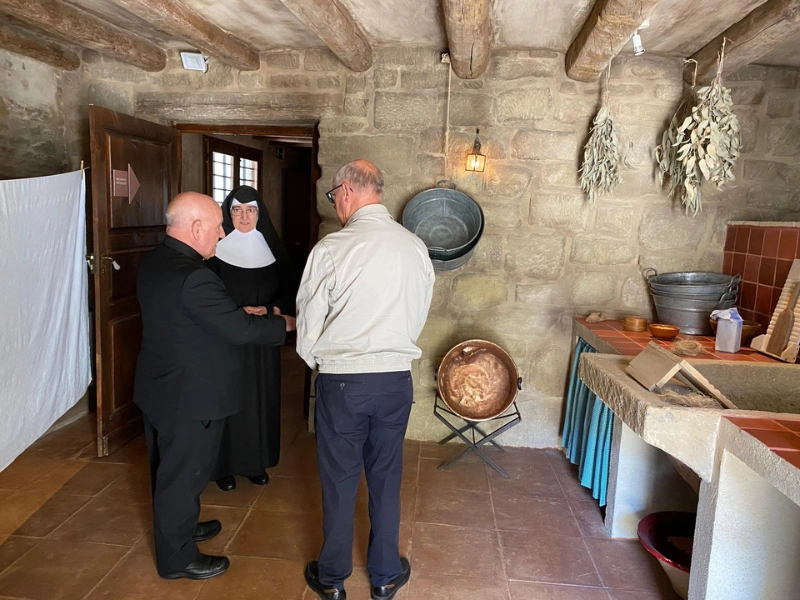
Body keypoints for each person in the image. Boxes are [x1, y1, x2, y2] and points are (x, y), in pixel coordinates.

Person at [134, 192, 295, 580]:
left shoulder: (157, 260)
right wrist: (287, 324)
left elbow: (194, 319)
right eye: (218, 226)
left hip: (161, 388)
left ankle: (181, 527)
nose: (222, 234)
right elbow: (238, 329)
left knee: (171, 470)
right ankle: (177, 558)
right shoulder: (195, 276)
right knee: (181, 476)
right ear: (196, 228)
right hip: (190, 396)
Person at [296, 160, 434, 600]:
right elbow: (417, 316)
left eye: (333, 196)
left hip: (343, 382)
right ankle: (385, 574)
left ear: (347, 191)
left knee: (339, 479)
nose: (334, 204)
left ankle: (333, 576)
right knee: (386, 475)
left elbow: (307, 328)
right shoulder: (415, 247)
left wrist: (324, 362)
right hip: (395, 379)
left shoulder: (331, 250)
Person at [208, 186, 297, 492]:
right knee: (226, 399)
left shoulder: (275, 249)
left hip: (262, 340)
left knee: (260, 398)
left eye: (251, 210)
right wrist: (234, 311)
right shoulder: (214, 250)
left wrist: (270, 309)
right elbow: (206, 292)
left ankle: (255, 461)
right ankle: (224, 467)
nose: (244, 216)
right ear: (228, 214)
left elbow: (292, 291)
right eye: (237, 210)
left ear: (260, 213)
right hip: (227, 339)